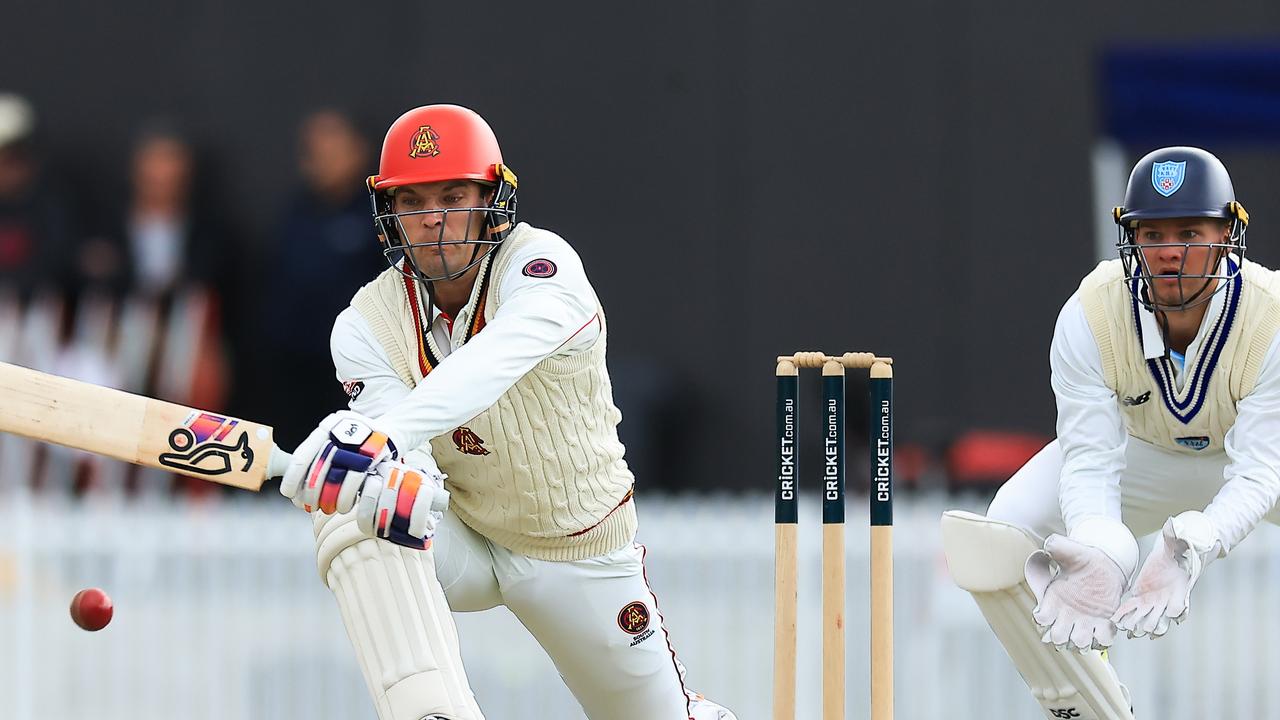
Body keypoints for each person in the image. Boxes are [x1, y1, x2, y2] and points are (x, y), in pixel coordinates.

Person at [279, 104, 736, 720]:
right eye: (413, 202)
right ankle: (431, 712)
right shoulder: (364, 324)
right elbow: (402, 459)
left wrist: (377, 436)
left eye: (453, 195)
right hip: (466, 539)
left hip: (573, 548)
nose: (435, 220)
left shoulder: (542, 267)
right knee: (358, 504)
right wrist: (389, 471)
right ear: (389, 214)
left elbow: (488, 365)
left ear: (493, 198)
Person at [940, 146, 1280, 720]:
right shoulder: (1091, 313)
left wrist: (1197, 539)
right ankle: (1084, 696)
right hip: (1145, 456)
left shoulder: (1269, 313)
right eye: (1153, 235)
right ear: (1132, 240)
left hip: (1257, 465)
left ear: (1227, 235)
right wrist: (1102, 548)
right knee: (1002, 533)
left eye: (1191, 232)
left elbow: (1260, 471)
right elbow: (1090, 460)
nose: (1171, 253)